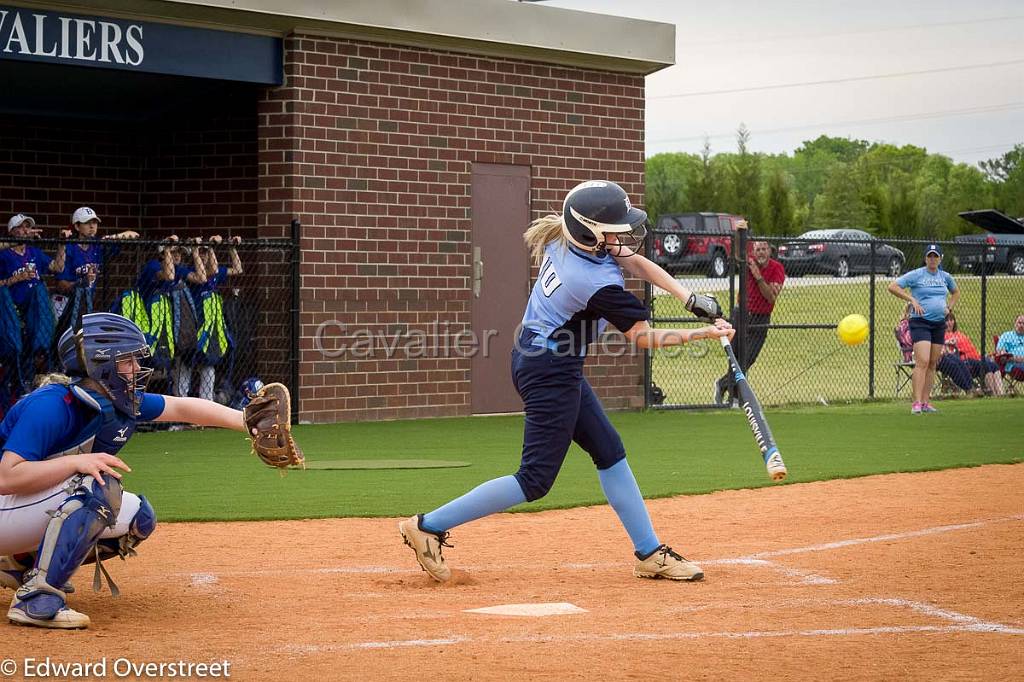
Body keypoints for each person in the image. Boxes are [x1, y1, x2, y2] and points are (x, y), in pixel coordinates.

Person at [398, 180, 733, 584]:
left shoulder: (569, 239)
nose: (622, 235)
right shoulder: (595, 284)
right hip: (548, 371)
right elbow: (643, 337)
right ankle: (428, 525)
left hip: (544, 360)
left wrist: (687, 297)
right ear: (589, 230)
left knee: (609, 451)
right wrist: (705, 334)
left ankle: (648, 553)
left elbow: (636, 262)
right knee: (534, 480)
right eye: (612, 228)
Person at [0, 312, 251, 629]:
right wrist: (76, 462)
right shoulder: (52, 404)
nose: (137, 368)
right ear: (99, 364)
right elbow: (7, 477)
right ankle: (36, 599)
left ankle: (20, 565)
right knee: (96, 488)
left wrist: (247, 422)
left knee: (137, 517)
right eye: (127, 360)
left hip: (17, 511)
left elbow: (182, 407)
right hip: (5, 504)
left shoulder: (117, 401)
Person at [52, 207, 139, 353]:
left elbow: (134, 235)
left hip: (86, 303)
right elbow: (62, 285)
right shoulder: (69, 248)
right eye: (87, 223)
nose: (92, 227)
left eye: (95, 222)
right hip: (65, 304)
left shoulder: (98, 246)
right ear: (77, 226)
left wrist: (111, 238)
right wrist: (80, 282)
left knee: (82, 344)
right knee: (62, 344)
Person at [887, 243, 959, 414]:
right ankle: (916, 402)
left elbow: (955, 292)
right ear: (925, 258)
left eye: (935, 256)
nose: (932, 259)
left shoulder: (945, 276)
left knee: (933, 363)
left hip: (938, 323)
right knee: (923, 361)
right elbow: (893, 286)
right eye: (929, 256)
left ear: (940, 258)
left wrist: (949, 307)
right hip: (920, 322)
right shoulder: (917, 274)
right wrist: (911, 299)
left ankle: (926, 402)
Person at [0, 214, 68, 393]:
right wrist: (15, 279)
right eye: (21, 227)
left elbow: (57, 267)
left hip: (34, 310)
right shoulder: (4, 254)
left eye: (28, 227)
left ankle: (40, 351)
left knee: (39, 288)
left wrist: (62, 244)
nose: (26, 230)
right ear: (12, 231)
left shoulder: (34, 252)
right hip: (12, 308)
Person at [715, 237, 785, 404]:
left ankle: (722, 384)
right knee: (736, 357)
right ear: (753, 251)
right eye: (758, 249)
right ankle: (735, 397)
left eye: (764, 249)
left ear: (770, 251)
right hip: (742, 314)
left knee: (748, 358)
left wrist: (758, 276)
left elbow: (770, 297)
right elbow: (737, 252)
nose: (761, 252)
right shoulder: (748, 263)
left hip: (761, 317)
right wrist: (739, 231)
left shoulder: (777, 268)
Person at [179, 235, 243, 401]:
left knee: (208, 366)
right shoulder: (187, 272)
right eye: (201, 253)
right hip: (191, 327)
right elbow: (202, 275)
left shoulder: (214, 273)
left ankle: (206, 407)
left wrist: (229, 248)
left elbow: (237, 269)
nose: (203, 256)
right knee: (185, 365)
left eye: (205, 253)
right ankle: (180, 409)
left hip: (209, 330)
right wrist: (195, 251)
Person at [943, 312, 1003, 396]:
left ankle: (1001, 394)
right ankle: (993, 394)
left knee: (994, 366)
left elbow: (972, 349)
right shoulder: (942, 335)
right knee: (985, 366)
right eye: (946, 320)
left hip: (975, 358)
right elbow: (945, 351)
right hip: (964, 361)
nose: (949, 322)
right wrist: (948, 343)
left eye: (951, 320)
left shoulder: (960, 334)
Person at [995, 314, 1024, 382]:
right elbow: (1001, 353)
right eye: (1019, 323)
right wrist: (1015, 359)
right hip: (1013, 365)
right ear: (1015, 323)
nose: (1021, 325)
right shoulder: (1007, 335)